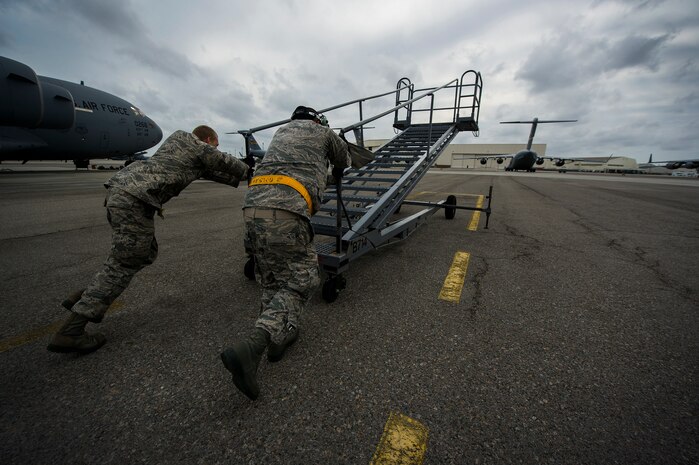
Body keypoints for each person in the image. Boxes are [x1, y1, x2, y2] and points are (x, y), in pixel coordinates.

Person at [47, 125, 250, 354]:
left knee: (144, 253)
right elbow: (222, 160)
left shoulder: (187, 156)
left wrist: (250, 177)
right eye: (215, 143)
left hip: (126, 195)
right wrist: (246, 167)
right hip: (133, 199)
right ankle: (71, 331)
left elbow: (219, 173)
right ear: (207, 139)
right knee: (124, 264)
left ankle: (85, 296)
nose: (216, 147)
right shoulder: (187, 140)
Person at [220, 106, 350, 400]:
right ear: (317, 120)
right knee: (303, 279)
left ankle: (281, 335)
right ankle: (255, 344)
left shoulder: (280, 133)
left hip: (252, 205)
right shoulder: (323, 131)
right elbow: (344, 160)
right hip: (288, 208)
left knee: (271, 276)